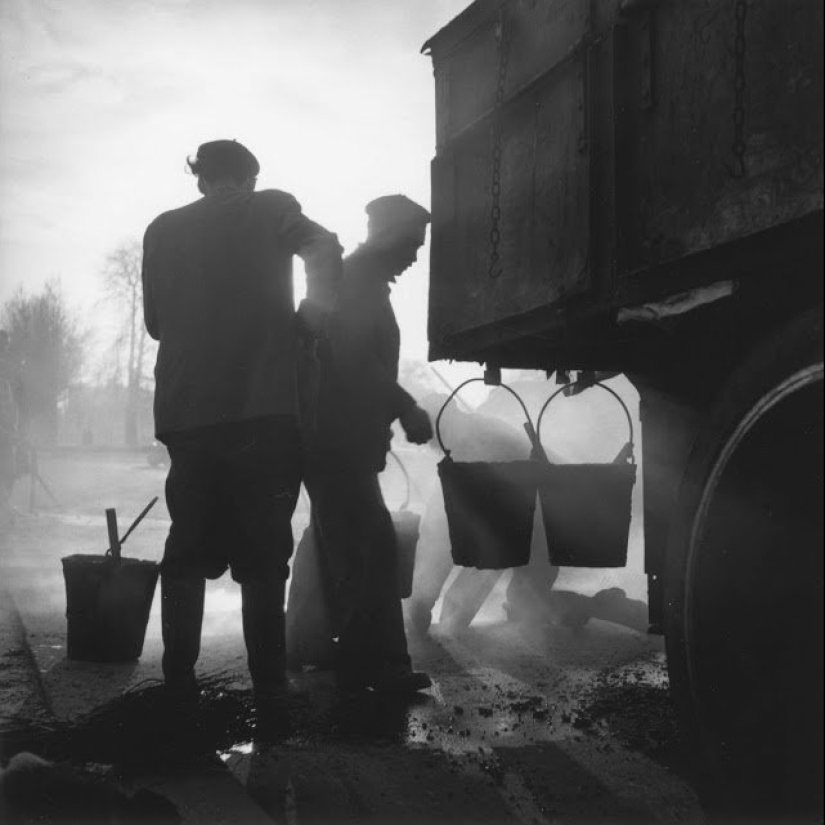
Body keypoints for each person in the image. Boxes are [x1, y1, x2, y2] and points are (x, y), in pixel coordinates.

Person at [141, 139, 342, 717]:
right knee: (262, 554)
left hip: (190, 413)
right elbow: (324, 247)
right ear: (250, 179)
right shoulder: (273, 206)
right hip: (263, 411)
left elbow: (156, 323)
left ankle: (178, 683)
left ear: (200, 179)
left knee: (186, 547)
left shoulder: (162, 228)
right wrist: (313, 314)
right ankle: (270, 689)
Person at [295, 194, 434, 693]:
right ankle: (373, 667)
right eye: (413, 244)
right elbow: (352, 360)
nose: (416, 256)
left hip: (334, 437)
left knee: (336, 542)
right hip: (337, 439)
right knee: (370, 547)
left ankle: (311, 649)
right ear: (389, 236)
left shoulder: (362, 282)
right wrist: (405, 406)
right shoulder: (357, 283)